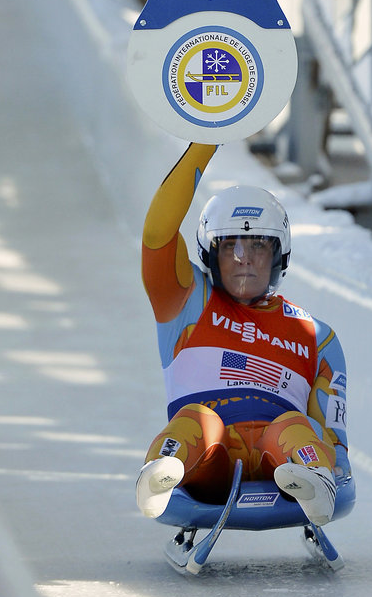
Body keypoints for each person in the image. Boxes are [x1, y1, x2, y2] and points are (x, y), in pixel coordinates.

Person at [135, 143, 349, 528]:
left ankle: (314, 480)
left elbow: (331, 428)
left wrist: (337, 467)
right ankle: (163, 471)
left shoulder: (317, 336)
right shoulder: (187, 301)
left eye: (258, 247)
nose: (244, 258)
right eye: (230, 246)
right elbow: (157, 235)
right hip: (211, 458)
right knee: (196, 420)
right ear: (210, 255)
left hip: (283, 464)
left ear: (278, 257)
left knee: (291, 426)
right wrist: (205, 138)